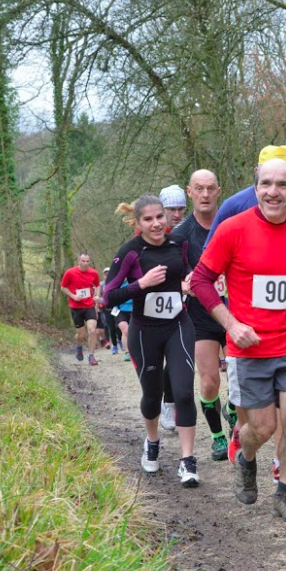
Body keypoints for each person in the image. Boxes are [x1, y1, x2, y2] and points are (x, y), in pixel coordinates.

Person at [191, 158, 286, 522]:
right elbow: (201, 281)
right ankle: (246, 456)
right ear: (256, 190)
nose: (273, 191)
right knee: (262, 428)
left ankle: (284, 494)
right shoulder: (233, 229)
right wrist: (230, 324)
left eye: (282, 185)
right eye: (266, 184)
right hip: (248, 347)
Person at [103, 194, 201, 487]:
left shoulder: (179, 244)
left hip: (178, 325)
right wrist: (141, 285)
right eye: (148, 219)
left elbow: (191, 273)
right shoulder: (131, 252)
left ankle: (187, 460)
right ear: (137, 223)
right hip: (144, 332)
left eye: (160, 216)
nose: (157, 223)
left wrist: (189, 282)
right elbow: (108, 296)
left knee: (183, 391)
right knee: (152, 395)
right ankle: (153, 441)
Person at [170, 169, 235, 463]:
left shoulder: (234, 224)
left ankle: (233, 411)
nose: (206, 194)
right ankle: (218, 437)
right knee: (209, 381)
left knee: (241, 380)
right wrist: (182, 285)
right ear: (190, 192)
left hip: (237, 312)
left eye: (210, 188)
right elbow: (167, 276)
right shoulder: (180, 236)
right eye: (200, 189)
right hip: (200, 316)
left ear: (218, 191)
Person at [156, 184, 188, 431]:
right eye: (171, 209)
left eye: (180, 208)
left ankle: (173, 402)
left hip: (187, 302)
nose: (176, 214)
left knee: (180, 358)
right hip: (157, 304)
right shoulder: (150, 234)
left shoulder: (189, 231)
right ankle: (165, 403)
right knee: (163, 360)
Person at [60, 252, 101, 366]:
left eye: (87, 261)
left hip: (89, 306)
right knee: (81, 335)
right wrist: (73, 296)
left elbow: (97, 285)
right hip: (76, 307)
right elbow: (63, 287)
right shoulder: (70, 272)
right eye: (83, 261)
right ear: (78, 261)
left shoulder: (94, 272)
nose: (85, 263)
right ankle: (79, 346)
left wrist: (97, 295)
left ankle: (91, 356)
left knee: (92, 330)